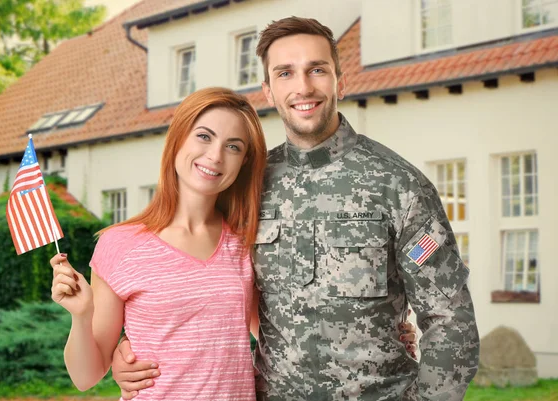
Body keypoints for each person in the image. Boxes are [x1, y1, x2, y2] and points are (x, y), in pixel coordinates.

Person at [112, 16, 480, 401]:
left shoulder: (399, 184)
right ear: (268, 91)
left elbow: (450, 321)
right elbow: (190, 277)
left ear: (339, 80)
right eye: (285, 73)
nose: (303, 87)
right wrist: (131, 345)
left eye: (317, 69)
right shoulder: (245, 186)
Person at [50, 87, 268, 400]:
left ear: (244, 162)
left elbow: (274, 340)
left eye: (233, 146)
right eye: (204, 136)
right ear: (178, 138)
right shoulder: (120, 244)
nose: (215, 155)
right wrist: (81, 316)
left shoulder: (246, 242)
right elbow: (86, 377)